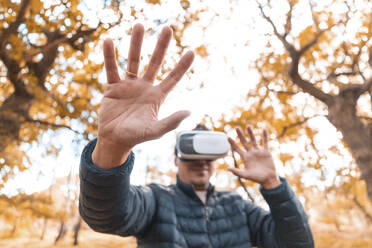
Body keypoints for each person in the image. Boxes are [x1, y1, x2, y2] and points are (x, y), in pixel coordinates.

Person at [79, 23, 314, 248]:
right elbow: (106, 217)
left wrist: (273, 184)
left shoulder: (238, 206)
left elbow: (297, 245)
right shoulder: (157, 200)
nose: (201, 161)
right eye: (191, 152)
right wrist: (111, 147)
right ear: (176, 159)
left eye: (208, 154)